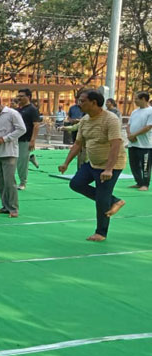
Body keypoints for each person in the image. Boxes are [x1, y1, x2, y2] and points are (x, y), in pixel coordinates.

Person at [58, 90, 127, 242]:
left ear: (94, 103)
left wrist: (109, 169)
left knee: (102, 198)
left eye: (82, 101)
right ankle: (115, 200)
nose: (79, 104)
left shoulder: (111, 119)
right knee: (76, 183)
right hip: (93, 163)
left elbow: (116, 145)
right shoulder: (85, 120)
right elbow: (78, 144)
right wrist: (66, 162)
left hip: (112, 164)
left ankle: (101, 233)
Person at [0, 95, 26, 218]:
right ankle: (5, 206)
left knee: (9, 182)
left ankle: (13, 208)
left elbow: (22, 129)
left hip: (9, 152)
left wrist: (5, 139)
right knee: (1, 182)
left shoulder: (12, 114)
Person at [15, 88, 41, 190]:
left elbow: (36, 125)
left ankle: (23, 182)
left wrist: (32, 140)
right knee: (16, 160)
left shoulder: (32, 109)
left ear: (28, 97)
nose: (19, 98)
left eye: (22, 96)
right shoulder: (18, 110)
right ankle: (30, 157)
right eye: (18, 96)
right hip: (16, 139)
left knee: (21, 163)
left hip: (26, 139)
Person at [126, 91, 152, 191]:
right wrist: (129, 135)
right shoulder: (134, 111)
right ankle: (139, 182)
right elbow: (128, 125)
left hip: (145, 145)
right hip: (133, 143)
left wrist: (134, 135)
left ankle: (145, 184)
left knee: (145, 166)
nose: (135, 101)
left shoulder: (150, 111)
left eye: (136, 99)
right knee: (134, 164)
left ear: (143, 99)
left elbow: (148, 127)